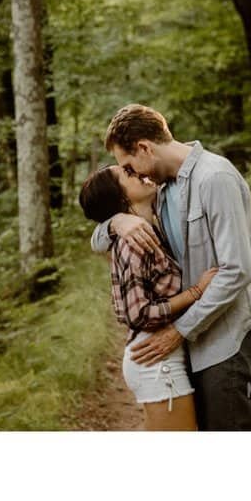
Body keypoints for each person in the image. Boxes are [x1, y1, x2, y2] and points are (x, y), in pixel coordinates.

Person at [89, 104, 251, 431]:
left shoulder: (215, 178)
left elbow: (236, 270)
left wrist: (179, 330)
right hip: (191, 344)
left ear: (144, 147)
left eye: (128, 165)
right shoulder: (162, 189)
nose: (134, 174)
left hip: (223, 338)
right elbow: (99, 237)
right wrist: (116, 222)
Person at [79, 165, 220, 430]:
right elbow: (139, 314)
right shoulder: (132, 242)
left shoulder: (149, 229)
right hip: (156, 362)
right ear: (121, 199)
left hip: (160, 360)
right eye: (129, 175)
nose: (139, 173)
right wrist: (196, 292)